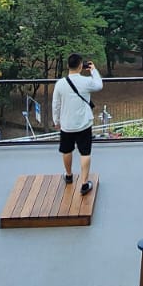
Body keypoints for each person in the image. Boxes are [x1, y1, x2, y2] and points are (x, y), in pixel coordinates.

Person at [52, 53, 103, 195]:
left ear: (67, 66)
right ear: (81, 66)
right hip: (83, 124)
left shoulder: (60, 84)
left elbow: (56, 104)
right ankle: (84, 183)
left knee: (66, 150)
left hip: (67, 124)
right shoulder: (86, 82)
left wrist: (56, 121)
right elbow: (99, 85)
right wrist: (93, 70)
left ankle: (69, 175)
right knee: (85, 152)